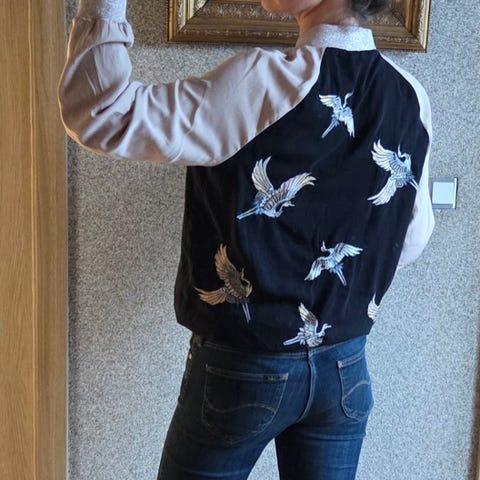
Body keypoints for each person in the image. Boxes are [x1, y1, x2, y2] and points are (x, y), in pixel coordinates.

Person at [59, 0, 435, 478]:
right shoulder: (410, 95)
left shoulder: (262, 83)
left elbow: (101, 111)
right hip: (345, 367)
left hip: (245, 367)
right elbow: (412, 237)